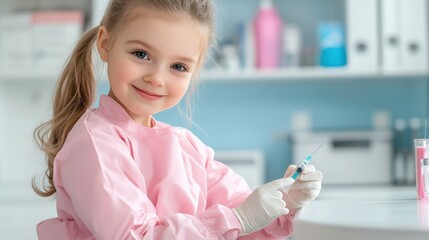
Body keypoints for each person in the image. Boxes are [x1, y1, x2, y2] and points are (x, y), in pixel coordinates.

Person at [32, 0, 323, 239]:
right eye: (141, 54)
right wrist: (238, 218)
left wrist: (284, 203)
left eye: (178, 66)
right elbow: (135, 235)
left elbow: (240, 222)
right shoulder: (94, 145)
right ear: (106, 44)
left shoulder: (186, 147)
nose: (156, 78)